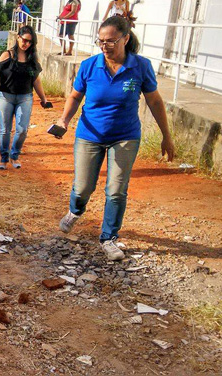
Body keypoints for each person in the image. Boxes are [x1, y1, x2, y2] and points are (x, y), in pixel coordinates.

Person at [57, 16, 175, 261]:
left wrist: (166, 136)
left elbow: (154, 101)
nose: (105, 45)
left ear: (126, 38)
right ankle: (75, 211)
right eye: (101, 41)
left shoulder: (140, 66)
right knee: (82, 187)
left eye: (111, 41)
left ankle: (109, 237)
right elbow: (75, 96)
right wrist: (64, 120)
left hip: (125, 136)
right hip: (89, 135)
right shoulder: (89, 66)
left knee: (116, 190)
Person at [0, 25, 49, 170]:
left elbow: (36, 81)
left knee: (22, 130)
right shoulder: (6, 55)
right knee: (5, 130)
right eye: (24, 40)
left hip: (25, 98)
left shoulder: (32, 58)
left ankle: (14, 155)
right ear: (18, 37)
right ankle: (3, 158)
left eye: (29, 42)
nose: (26, 44)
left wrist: (43, 99)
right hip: (5, 97)